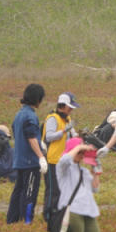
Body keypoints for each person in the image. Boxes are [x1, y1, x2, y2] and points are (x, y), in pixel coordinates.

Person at [56, 138, 107, 232]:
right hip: (73, 211)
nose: (82, 155)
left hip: (89, 211)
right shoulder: (63, 169)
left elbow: (95, 188)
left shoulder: (83, 171)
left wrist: (96, 172)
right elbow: (64, 160)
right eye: (80, 152)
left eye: (83, 152)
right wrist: (78, 148)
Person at [7, 83, 47, 224]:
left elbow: (20, 135)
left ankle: (12, 220)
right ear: (37, 99)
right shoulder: (30, 116)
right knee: (30, 192)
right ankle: (27, 221)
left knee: (18, 191)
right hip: (30, 162)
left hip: (19, 160)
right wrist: (41, 156)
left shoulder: (19, 114)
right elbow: (31, 138)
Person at [42, 92, 79, 222]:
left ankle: (59, 214)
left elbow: (72, 134)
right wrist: (64, 131)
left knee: (63, 188)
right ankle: (48, 216)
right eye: (69, 108)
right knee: (53, 190)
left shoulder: (66, 118)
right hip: (53, 160)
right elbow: (49, 136)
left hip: (64, 160)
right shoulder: (53, 118)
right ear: (62, 106)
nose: (71, 110)